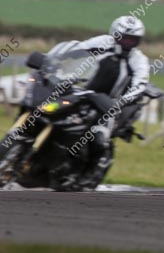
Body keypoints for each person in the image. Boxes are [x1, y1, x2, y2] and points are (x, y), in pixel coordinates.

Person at [59, 16, 149, 189]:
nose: (128, 43)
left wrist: (121, 101)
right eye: (125, 38)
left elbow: (141, 84)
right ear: (115, 35)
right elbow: (77, 49)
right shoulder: (102, 42)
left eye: (133, 40)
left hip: (109, 105)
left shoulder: (139, 60)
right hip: (82, 93)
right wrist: (51, 60)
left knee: (99, 139)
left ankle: (87, 175)